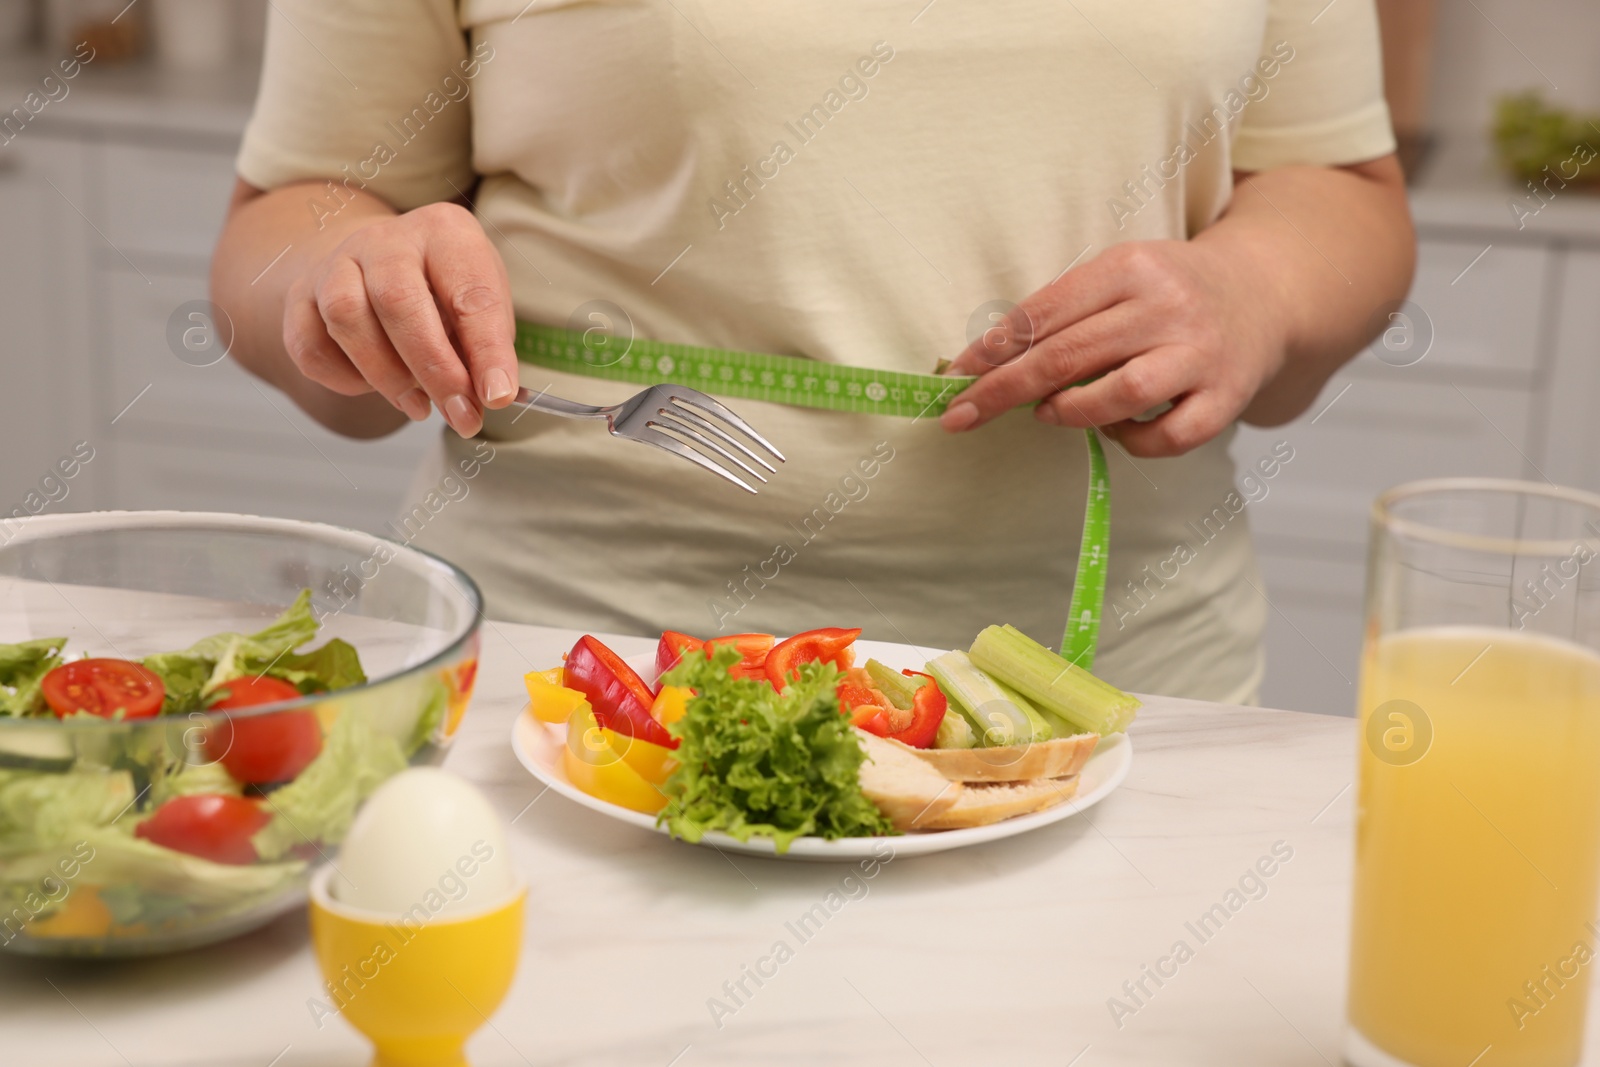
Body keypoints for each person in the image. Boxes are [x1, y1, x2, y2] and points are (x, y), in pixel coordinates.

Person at [212, 0, 1415, 705]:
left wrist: (1252, 288)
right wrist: (344, 284)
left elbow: (1337, 185)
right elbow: (286, 217)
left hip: (1107, 687)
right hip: (574, 683)